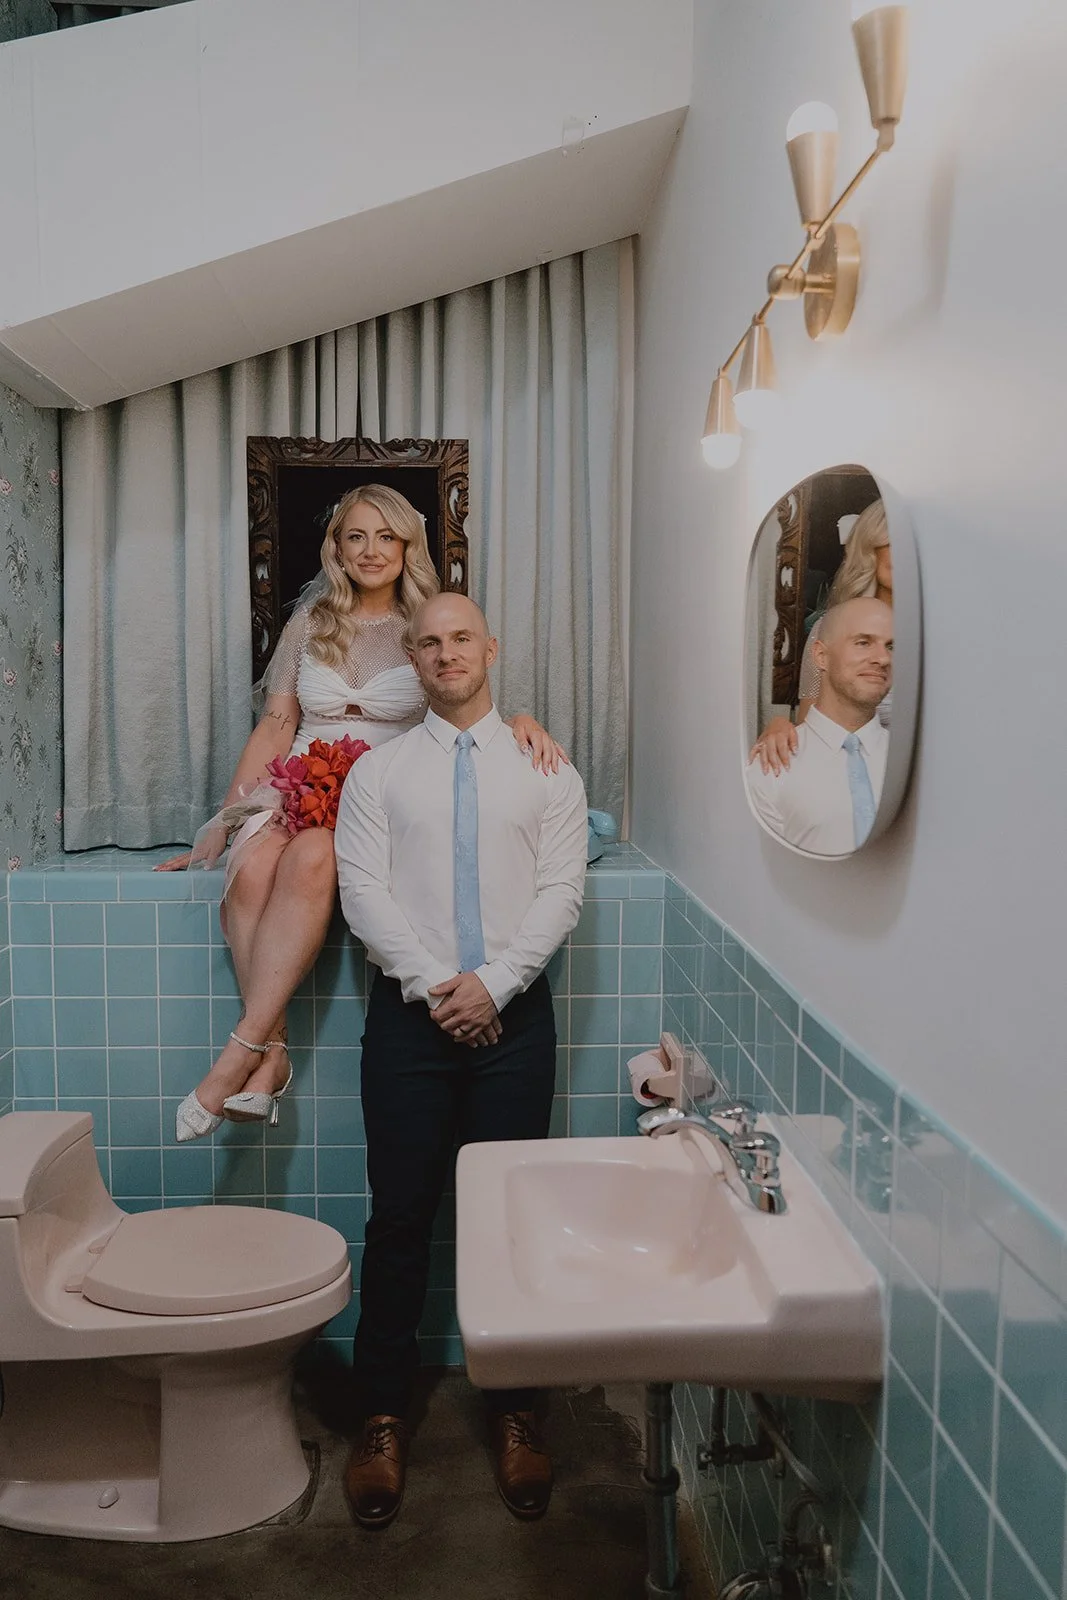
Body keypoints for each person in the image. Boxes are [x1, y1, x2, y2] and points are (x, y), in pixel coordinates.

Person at [156, 484, 564, 1141]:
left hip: (379, 793)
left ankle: (243, 1052)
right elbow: (276, 722)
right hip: (298, 781)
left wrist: (521, 719)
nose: (371, 550)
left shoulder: (427, 622)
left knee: (314, 856)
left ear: (407, 548)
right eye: (356, 537)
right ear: (337, 548)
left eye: (386, 537)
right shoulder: (311, 620)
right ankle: (271, 1054)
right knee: (253, 867)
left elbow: (466, 695)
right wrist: (226, 821)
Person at [334, 591, 587, 1530]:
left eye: (461, 638)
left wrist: (498, 985)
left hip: (515, 1020)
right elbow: (361, 891)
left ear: (492, 645)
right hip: (409, 1019)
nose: (446, 654)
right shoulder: (379, 773)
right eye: (429, 642)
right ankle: (381, 1418)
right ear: (412, 656)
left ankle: (518, 1412)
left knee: (509, 1219)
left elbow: (563, 889)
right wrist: (445, 986)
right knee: (401, 1218)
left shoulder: (544, 769)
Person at [750, 497, 891, 775]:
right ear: (870, 548)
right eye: (892, 541)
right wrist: (781, 728)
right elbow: (811, 729)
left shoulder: (943, 637)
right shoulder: (830, 629)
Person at [745, 596, 892, 855]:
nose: (882, 658)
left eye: (891, 647)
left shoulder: (916, 766)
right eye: (863, 642)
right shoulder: (770, 769)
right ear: (821, 656)